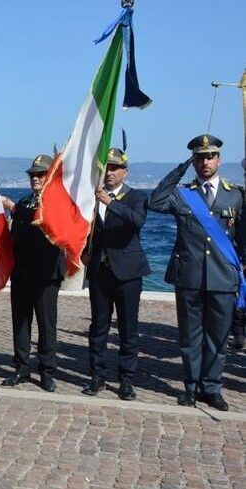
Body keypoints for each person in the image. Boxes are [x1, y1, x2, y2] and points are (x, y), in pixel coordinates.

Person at [148, 134, 245, 411]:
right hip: (189, 276)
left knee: (217, 338)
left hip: (223, 277)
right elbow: (155, 202)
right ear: (193, 161)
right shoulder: (182, 193)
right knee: (190, 337)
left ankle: (211, 388)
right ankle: (191, 387)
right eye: (199, 157)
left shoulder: (235, 194)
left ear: (219, 159)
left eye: (210, 156)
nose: (205, 162)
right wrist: (178, 170)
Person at [80, 148, 151, 401]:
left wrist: (111, 203)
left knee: (127, 329)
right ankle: (97, 376)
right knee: (98, 327)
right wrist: (82, 253)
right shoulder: (92, 197)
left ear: (125, 171)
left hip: (128, 272)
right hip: (100, 272)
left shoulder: (136, 197)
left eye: (114, 168)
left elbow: (137, 221)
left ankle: (126, 379)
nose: (109, 172)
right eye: (106, 168)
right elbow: (85, 231)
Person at [0, 154, 64, 392]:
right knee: (21, 323)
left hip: (46, 274)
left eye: (40, 174)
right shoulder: (26, 202)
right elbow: (15, 234)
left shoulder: (58, 203)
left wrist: (13, 208)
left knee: (47, 325)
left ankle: (47, 371)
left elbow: (43, 218)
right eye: (32, 175)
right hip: (22, 272)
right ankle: (22, 367)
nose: (35, 178)